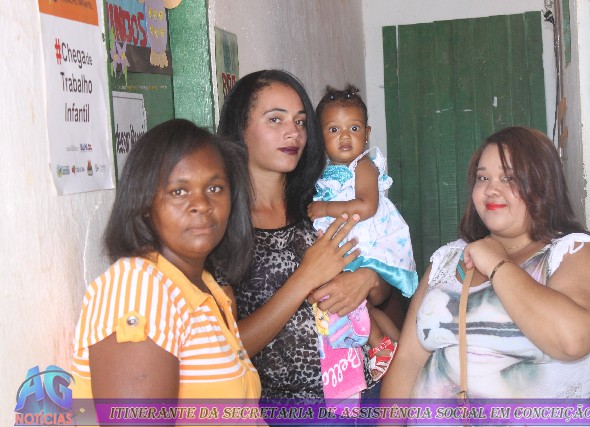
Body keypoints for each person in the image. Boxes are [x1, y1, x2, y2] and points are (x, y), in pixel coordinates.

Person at [381, 126, 590, 401]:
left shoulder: (575, 252)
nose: (491, 189)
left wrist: (497, 264)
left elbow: (572, 340)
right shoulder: (448, 258)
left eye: (508, 177)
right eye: (483, 177)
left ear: (542, 183)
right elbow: (408, 360)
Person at [216, 69, 391, 399]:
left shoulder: (322, 203)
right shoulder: (220, 226)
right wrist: (305, 278)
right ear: (240, 128)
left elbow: (381, 291)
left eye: (300, 121)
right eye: (275, 119)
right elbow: (226, 350)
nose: (293, 132)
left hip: (361, 394)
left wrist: (366, 279)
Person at [71, 119, 261, 402]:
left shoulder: (204, 286)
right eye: (178, 192)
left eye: (215, 188)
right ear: (145, 203)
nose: (202, 205)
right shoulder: (137, 287)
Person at [308, 85, 418, 386]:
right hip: (348, 244)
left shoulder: (364, 166)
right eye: (334, 129)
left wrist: (325, 208)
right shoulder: (322, 173)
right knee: (356, 303)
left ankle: (383, 344)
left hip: (367, 243)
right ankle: (391, 346)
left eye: (354, 128)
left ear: (367, 134)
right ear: (319, 136)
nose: (345, 136)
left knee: (352, 298)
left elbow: (366, 206)